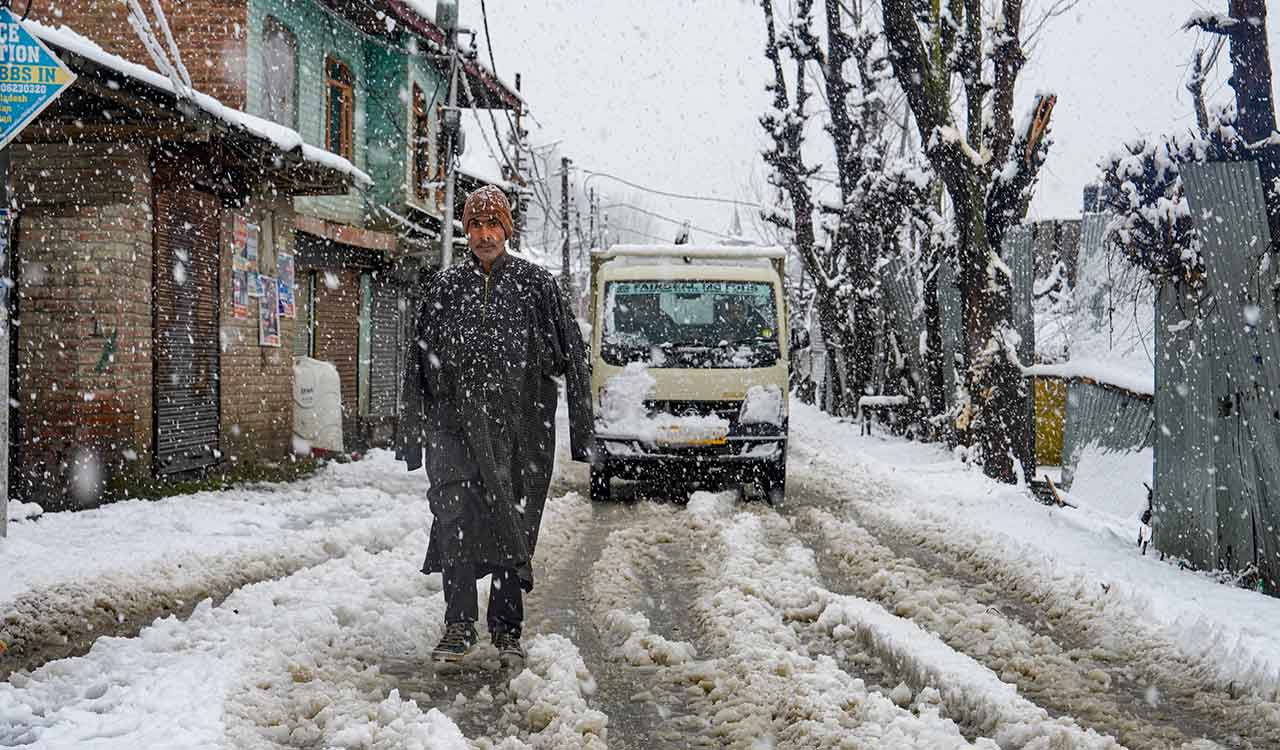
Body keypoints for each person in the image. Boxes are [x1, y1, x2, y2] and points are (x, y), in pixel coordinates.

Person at [398, 185, 593, 665]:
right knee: (454, 514)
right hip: (453, 424)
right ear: (466, 231)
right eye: (476, 226)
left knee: (511, 518)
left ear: (507, 229)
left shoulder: (536, 285)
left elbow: (575, 355)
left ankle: (506, 628)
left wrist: (581, 433)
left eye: (493, 225)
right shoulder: (444, 288)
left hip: (520, 427)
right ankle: (459, 624)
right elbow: (415, 363)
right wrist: (412, 433)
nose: (484, 235)